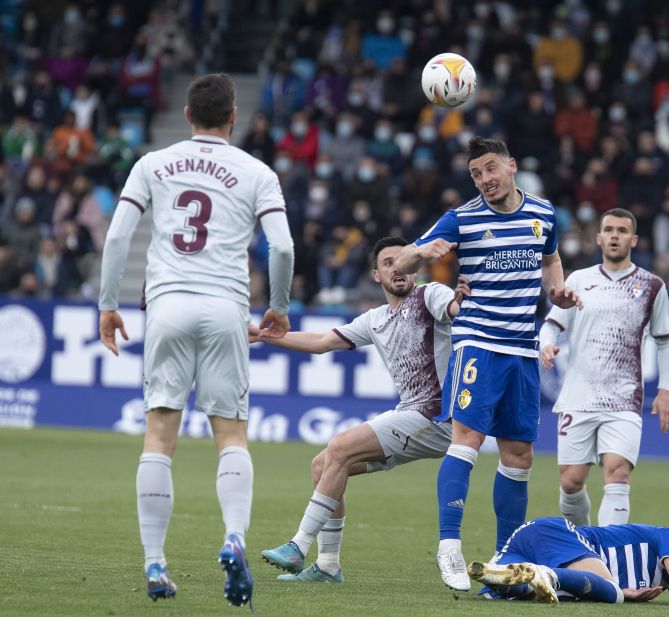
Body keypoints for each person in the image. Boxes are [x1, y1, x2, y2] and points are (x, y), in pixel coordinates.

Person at [97, 74, 294, 606]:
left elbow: (117, 235)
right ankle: (233, 536)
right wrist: (278, 307)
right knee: (230, 435)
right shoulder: (257, 172)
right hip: (226, 306)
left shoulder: (152, 164)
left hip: (167, 304)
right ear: (233, 116)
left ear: (187, 114)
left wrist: (107, 305)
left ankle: (156, 564)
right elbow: (281, 246)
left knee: (160, 437)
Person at [396, 136, 581, 592]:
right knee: (468, 440)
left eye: (490, 169)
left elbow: (551, 259)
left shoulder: (543, 212)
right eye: (476, 174)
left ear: (511, 166)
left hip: (522, 348)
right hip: (477, 343)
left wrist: (554, 292)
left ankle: (504, 563)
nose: (484, 180)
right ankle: (449, 547)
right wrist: (422, 253)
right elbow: (400, 264)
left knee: (519, 456)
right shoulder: (461, 218)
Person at [255, 237, 464, 583]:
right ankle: (327, 565)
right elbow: (322, 342)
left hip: (438, 417)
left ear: (416, 266)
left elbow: (455, 308)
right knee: (323, 464)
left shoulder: (430, 296)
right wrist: (267, 337)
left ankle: (298, 544)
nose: (397, 268)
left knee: (340, 445)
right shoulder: (376, 318)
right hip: (410, 414)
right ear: (376, 275)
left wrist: (461, 300)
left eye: (403, 261)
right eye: (388, 263)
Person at [538, 208, 669, 528]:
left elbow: (666, 341)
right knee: (571, 483)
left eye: (622, 231)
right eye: (609, 230)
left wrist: (665, 390)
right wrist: (545, 345)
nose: (615, 235)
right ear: (598, 238)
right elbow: (550, 325)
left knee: (618, 474)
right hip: (578, 396)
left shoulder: (652, 286)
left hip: (623, 399)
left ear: (634, 239)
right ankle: (585, 543)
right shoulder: (578, 280)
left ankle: (609, 557)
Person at [467, 517, 669, 608]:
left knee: (513, 588)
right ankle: (545, 575)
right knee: (611, 591)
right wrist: (624, 592)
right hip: (559, 535)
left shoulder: (659, 572)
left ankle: (503, 577)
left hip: (530, 540)